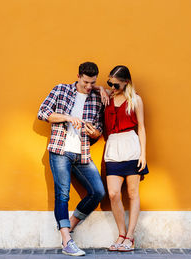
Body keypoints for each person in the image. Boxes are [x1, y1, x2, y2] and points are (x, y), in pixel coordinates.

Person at [37, 62, 105, 256]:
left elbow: (99, 129)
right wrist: (67, 117)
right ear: (78, 76)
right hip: (60, 150)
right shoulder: (61, 90)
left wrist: (94, 133)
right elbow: (43, 113)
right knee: (63, 194)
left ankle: (70, 226)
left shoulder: (96, 99)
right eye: (85, 82)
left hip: (82, 153)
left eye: (92, 83)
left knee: (98, 192)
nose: (88, 87)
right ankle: (67, 241)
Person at [98, 65, 148, 252]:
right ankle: (121, 233)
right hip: (113, 147)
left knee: (133, 194)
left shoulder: (136, 100)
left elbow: (141, 127)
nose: (112, 87)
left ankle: (130, 236)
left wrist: (143, 153)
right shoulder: (107, 98)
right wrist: (102, 88)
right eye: (110, 83)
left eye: (115, 84)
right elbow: (92, 87)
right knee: (113, 193)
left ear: (126, 82)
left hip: (131, 145)